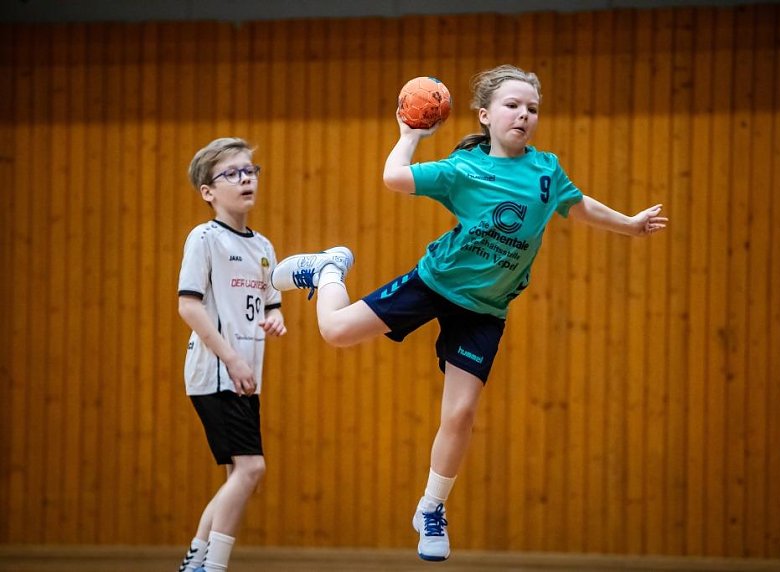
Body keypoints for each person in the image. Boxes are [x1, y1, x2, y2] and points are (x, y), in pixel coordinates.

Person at [270, 65, 668, 562]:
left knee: (460, 414)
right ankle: (326, 269)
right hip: (434, 284)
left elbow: (579, 204)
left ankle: (431, 508)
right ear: (484, 115)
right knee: (335, 331)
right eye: (512, 105)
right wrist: (409, 135)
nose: (524, 114)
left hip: (485, 310)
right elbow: (393, 177)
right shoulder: (463, 171)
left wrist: (629, 225)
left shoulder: (547, 171)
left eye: (533, 108)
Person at [176, 137, 286, 572]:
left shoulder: (263, 247)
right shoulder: (204, 238)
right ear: (208, 191)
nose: (246, 179)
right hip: (216, 372)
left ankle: (197, 561)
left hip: (245, 375)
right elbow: (188, 305)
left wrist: (275, 318)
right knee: (251, 470)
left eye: (250, 171)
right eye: (233, 173)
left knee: (237, 478)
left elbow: (271, 302)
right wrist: (231, 359)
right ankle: (212, 565)